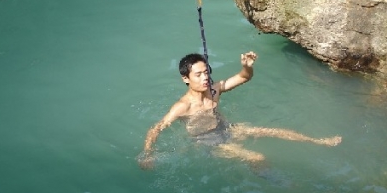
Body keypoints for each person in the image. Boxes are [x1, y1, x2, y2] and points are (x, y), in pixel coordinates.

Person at [138, 52, 342, 169]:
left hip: (227, 128)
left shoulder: (214, 90)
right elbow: (156, 128)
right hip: (208, 142)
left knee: (274, 131)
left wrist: (247, 66)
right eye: (198, 75)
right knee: (257, 158)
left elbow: (244, 77)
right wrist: (148, 154)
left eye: (206, 72)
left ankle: (317, 142)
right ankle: (275, 183)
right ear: (186, 79)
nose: (205, 78)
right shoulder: (182, 107)